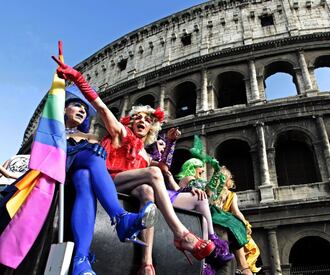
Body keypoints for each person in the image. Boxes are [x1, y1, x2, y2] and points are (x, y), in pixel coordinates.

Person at [52, 57, 216, 275]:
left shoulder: (145, 155)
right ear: (129, 121)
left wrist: (173, 151)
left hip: (128, 185)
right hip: (106, 180)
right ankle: (180, 233)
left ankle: (146, 263)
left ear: (151, 128)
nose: (141, 121)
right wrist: (78, 78)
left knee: (148, 189)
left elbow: (164, 168)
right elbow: (100, 105)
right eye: (136, 117)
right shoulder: (120, 133)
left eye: (146, 120)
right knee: (153, 173)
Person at [62, 85, 158, 275]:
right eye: (76, 105)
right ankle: (121, 218)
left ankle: (80, 260)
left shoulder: (90, 137)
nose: (82, 109)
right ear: (63, 109)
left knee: (84, 176)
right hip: (58, 172)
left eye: (84, 108)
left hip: (79, 175)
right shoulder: (51, 130)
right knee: (94, 157)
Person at [144, 131, 234, 275]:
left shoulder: (164, 169)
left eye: (163, 145)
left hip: (169, 196)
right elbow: (177, 185)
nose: (203, 169)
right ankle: (212, 242)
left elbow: (179, 188)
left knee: (202, 213)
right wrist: (170, 142)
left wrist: (215, 175)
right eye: (160, 144)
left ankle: (207, 252)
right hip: (154, 194)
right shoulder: (147, 159)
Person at [177, 157, 252, 275]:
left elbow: (211, 196)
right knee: (231, 220)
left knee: (234, 221)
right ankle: (242, 265)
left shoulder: (201, 181)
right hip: (197, 210)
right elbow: (207, 193)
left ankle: (242, 265)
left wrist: (218, 176)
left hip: (207, 208)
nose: (202, 170)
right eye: (199, 167)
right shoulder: (188, 179)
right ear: (192, 168)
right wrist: (216, 174)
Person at [214, 167, 261, 275]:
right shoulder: (231, 194)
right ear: (228, 180)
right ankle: (244, 268)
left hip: (216, 222)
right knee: (253, 249)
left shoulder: (213, 191)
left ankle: (242, 268)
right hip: (228, 223)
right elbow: (236, 212)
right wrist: (244, 224)